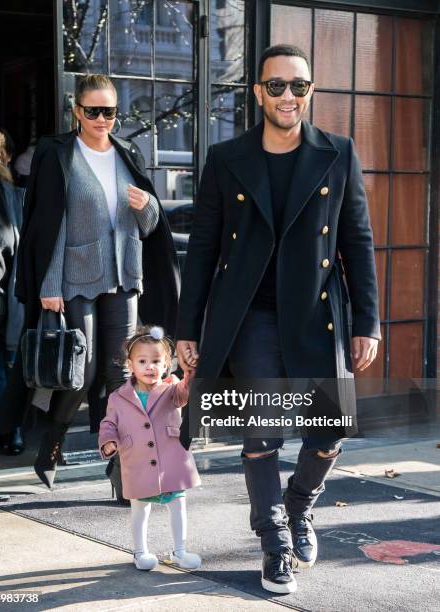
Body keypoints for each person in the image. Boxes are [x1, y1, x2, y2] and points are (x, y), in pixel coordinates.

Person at [176, 44, 380, 594]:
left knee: (327, 432)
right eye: (276, 86)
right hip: (251, 316)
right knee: (262, 431)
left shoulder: (338, 153)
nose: (288, 95)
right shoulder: (227, 157)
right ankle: (274, 543)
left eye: (299, 85)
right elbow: (202, 249)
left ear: (310, 90)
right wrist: (187, 329)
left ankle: (298, 507)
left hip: (317, 311)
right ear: (257, 92)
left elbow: (356, 243)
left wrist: (369, 321)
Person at [0, 74, 180, 490]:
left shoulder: (128, 153)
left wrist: (149, 204)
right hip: (74, 278)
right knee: (82, 370)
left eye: (109, 111)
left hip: (124, 277)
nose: (101, 119)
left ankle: (122, 473)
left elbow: (150, 227)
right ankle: (52, 444)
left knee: (120, 375)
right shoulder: (57, 153)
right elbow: (46, 222)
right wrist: (49, 282)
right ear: (77, 111)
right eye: (93, 110)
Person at [99, 325, 201, 571]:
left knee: (178, 504)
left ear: (166, 364)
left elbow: (184, 394)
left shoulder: (171, 388)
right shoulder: (118, 397)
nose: (149, 366)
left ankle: (180, 551)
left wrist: (188, 376)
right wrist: (108, 440)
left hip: (171, 459)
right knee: (140, 509)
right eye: (142, 361)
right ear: (130, 365)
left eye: (156, 361)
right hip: (139, 460)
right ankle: (140, 552)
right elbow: (108, 423)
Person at [0, 126, 24, 454]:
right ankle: (3, 431)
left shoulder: (10, 196)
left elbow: (16, 249)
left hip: (0, 300)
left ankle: (5, 430)